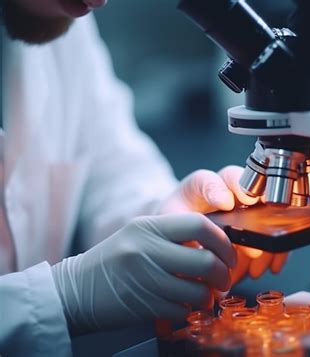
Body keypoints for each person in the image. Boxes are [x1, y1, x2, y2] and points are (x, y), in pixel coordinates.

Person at [0, 1, 287, 355]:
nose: (99, 1)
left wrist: (168, 219)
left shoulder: (61, 19)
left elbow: (112, 167)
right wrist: (59, 297)